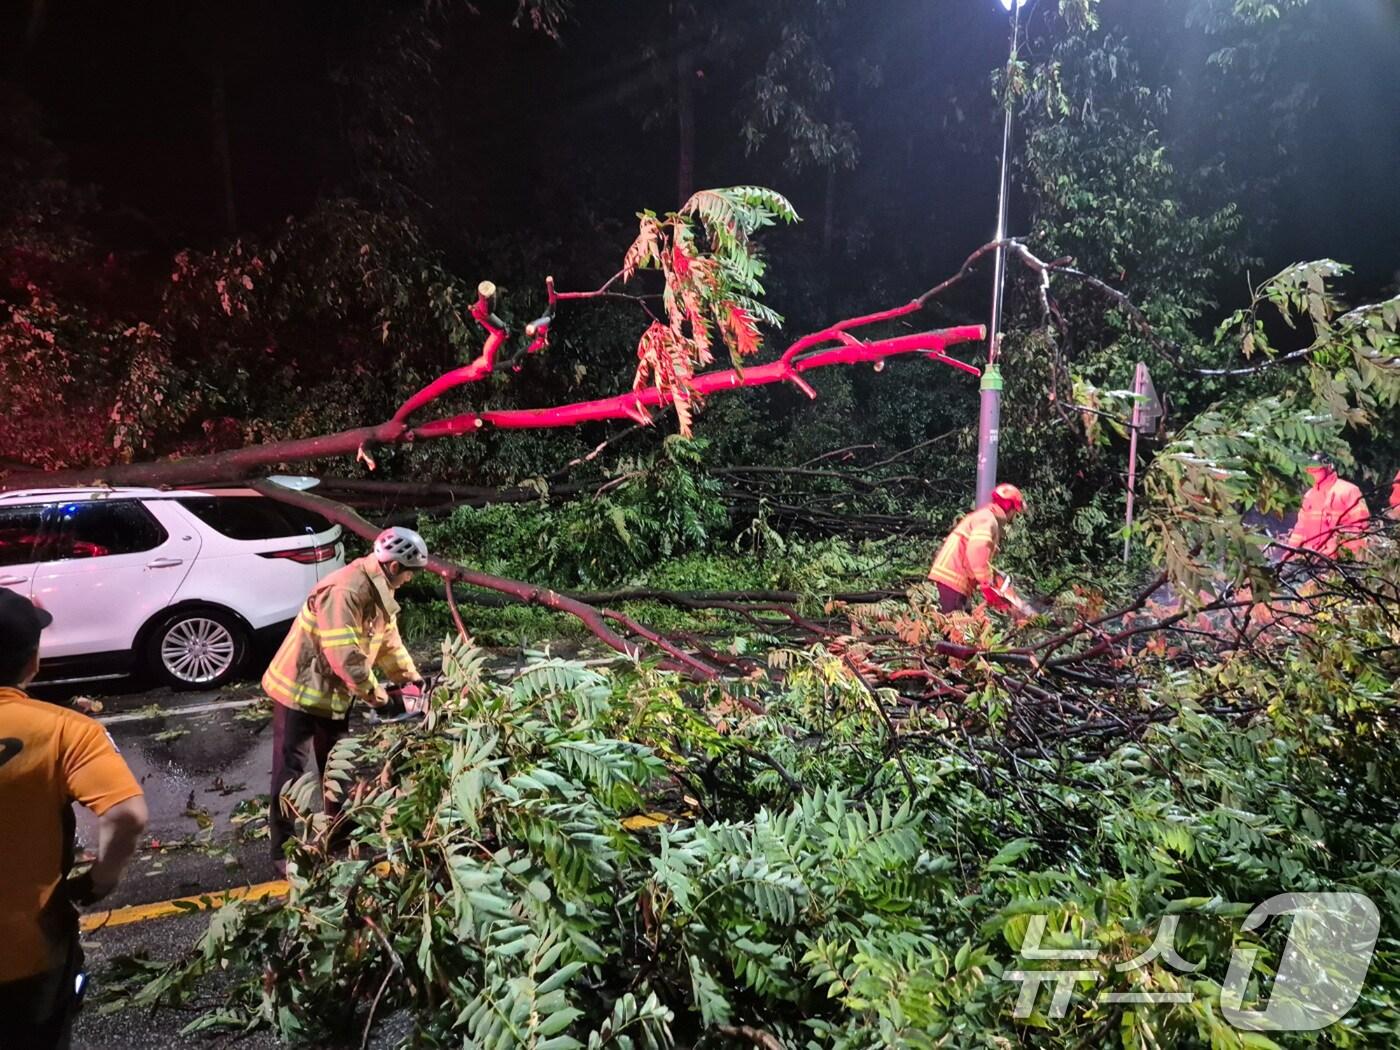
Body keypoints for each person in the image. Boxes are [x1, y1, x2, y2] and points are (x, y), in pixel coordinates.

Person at [0, 590, 147, 1050]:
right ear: (33, 662)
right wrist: (100, 880)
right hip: (25, 956)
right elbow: (126, 815)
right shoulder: (65, 731)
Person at [264, 526, 429, 871]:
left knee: (335, 765)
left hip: (333, 694)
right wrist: (379, 699)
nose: (410, 581)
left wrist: (410, 679)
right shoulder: (345, 590)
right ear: (396, 566)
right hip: (300, 690)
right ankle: (283, 849)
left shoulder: (378, 590)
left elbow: (387, 643)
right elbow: (344, 655)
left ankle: (336, 830)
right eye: (410, 574)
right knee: (290, 772)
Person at [928, 483, 1025, 614]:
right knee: (955, 627)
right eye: (1015, 511)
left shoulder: (984, 516)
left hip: (954, 576)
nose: (1014, 516)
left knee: (963, 620)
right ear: (1010, 508)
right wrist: (987, 582)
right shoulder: (987, 520)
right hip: (954, 577)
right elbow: (977, 552)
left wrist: (994, 577)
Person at [1279, 454, 1371, 563]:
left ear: (1328, 467)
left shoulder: (1348, 491)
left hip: (1341, 560)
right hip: (1312, 558)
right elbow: (1300, 528)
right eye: (1309, 468)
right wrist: (1291, 551)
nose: (1311, 471)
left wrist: (1338, 548)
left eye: (1316, 468)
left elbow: (1360, 527)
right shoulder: (1309, 495)